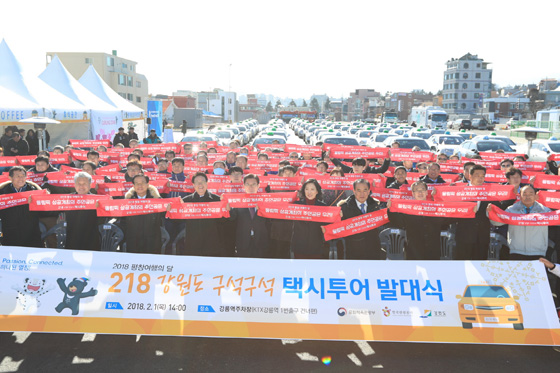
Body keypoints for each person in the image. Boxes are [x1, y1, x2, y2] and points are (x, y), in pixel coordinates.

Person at [388, 181, 457, 260]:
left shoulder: (435, 209)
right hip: (413, 252)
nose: (420, 192)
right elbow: (397, 222)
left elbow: (450, 218)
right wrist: (390, 209)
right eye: (417, 190)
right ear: (413, 194)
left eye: (422, 189)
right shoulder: (406, 209)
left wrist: (469, 210)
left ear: (427, 192)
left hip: (433, 251)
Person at [488, 185, 550, 260]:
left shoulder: (545, 211)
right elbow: (497, 223)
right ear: (520, 196)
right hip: (516, 251)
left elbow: (556, 221)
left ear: (536, 195)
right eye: (524, 194)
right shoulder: (512, 210)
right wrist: (490, 213)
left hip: (538, 252)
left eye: (531, 194)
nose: (528, 197)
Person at [454, 164, 492, 260]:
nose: (480, 178)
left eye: (482, 176)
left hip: (482, 238)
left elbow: (501, 206)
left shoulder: (490, 192)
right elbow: (452, 211)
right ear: (470, 176)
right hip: (464, 236)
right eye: (477, 175)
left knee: (480, 267)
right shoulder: (459, 192)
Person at [182, 172, 225, 256]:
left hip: (212, 243)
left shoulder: (217, 199)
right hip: (192, 243)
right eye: (197, 182)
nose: (200, 184)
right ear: (193, 185)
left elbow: (226, 220)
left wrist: (227, 209)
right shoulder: (186, 201)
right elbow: (177, 220)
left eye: (203, 181)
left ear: (207, 183)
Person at [228, 174, 271, 258]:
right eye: (248, 184)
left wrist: (263, 210)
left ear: (258, 185)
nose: (250, 187)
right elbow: (232, 218)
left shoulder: (265, 200)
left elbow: (271, 222)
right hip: (243, 241)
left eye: (253, 184)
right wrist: (228, 209)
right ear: (243, 186)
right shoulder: (237, 201)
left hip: (261, 242)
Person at [338, 179, 382, 259]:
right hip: (353, 251)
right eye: (359, 190)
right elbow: (338, 228)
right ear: (354, 191)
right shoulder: (344, 207)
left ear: (369, 191)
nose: (362, 194)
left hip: (373, 250)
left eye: (365, 190)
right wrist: (338, 218)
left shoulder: (376, 206)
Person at [120, 175, 164, 254]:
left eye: (142, 183)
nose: (140, 186)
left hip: (152, 241)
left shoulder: (157, 200)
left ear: (147, 185)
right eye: (137, 183)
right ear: (133, 186)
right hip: (133, 240)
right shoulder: (127, 201)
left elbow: (166, 214)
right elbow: (122, 220)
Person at [0, 166, 42, 247]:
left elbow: (44, 211)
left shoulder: (35, 190)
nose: (21, 178)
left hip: (31, 232)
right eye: (17, 176)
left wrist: (35, 203)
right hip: (10, 232)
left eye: (23, 176)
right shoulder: (2, 192)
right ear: (10, 178)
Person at [290, 179, 328, 259]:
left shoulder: (323, 206)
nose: (309, 192)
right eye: (306, 189)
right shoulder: (296, 205)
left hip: (316, 247)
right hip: (299, 245)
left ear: (317, 191)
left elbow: (328, 225)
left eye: (312, 189)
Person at [65, 172, 101, 251]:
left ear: (90, 185)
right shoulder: (67, 199)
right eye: (79, 183)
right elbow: (51, 210)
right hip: (72, 239)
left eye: (84, 183)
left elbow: (107, 216)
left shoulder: (97, 200)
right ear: (74, 185)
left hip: (91, 239)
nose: (81, 186)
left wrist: (107, 204)